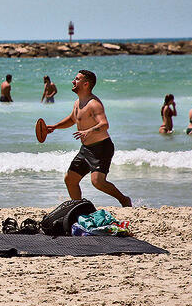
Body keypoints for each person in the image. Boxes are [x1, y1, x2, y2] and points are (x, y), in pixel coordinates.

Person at [45, 70, 132, 207]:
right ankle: (79, 207)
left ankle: (124, 200)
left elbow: (104, 124)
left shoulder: (94, 104)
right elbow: (72, 119)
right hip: (86, 149)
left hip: (101, 148)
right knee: (70, 179)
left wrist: (88, 131)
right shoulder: (78, 102)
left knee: (98, 182)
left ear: (85, 84)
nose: (73, 81)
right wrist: (55, 127)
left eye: (76, 79)